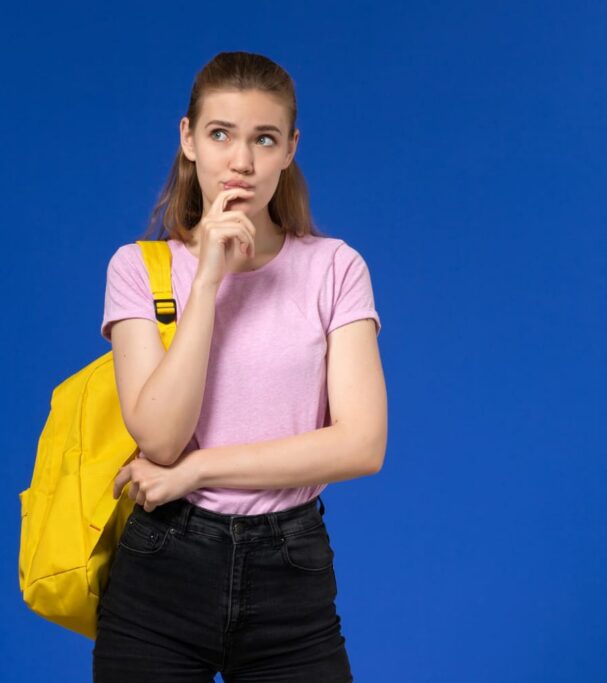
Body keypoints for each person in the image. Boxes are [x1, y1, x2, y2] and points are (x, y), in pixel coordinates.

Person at [91, 51, 386, 682]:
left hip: (291, 574)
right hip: (161, 569)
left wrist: (202, 467)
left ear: (290, 149)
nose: (242, 161)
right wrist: (207, 286)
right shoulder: (139, 269)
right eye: (221, 134)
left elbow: (362, 445)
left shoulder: (335, 268)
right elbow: (161, 439)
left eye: (265, 138)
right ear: (188, 139)